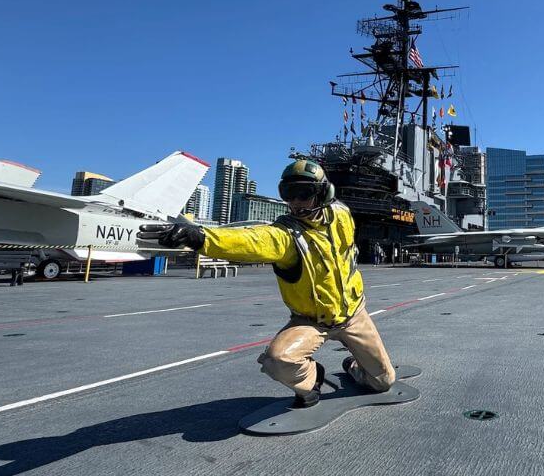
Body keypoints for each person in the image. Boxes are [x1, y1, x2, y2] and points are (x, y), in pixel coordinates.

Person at [139, 157, 395, 409]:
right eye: (289, 194)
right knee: (278, 360)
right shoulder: (285, 236)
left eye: (304, 193)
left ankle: (354, 366)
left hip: (353, 315)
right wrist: (200, 238)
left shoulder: (342, 215)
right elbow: (250, 240)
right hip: (310, 320)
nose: (295, 202)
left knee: (383, 381)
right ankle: (312, 377)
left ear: (324, 193)